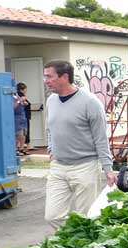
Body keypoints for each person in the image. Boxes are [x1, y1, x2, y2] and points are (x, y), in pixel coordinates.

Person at [43, 59, 116, 230]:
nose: (45, 80)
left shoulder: (90, 103)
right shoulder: (51, 101)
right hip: (58, 167)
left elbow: (100, 138)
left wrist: (108, 169)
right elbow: (49, 129)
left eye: (49, 76)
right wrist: (51, 150)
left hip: (85, 167)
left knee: (87, 218)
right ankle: (74, 238)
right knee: (52, 216)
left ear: (64, 77)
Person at [17, 82, 32, 153]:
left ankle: (23, 147)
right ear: (21, 90)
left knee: (24, 132)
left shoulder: (22, 96)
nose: (26, 90)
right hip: (21, 117)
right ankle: (20, 147)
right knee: (20, 133)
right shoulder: (18, 97)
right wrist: (20, 101)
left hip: (24, 117)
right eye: (25, 89)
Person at [13, 87, 27, 157]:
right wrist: (19, 101)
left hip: (23, 118)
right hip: (16, 118)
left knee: (24, 134)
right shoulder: (10, 97)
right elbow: (12, 107)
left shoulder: (18, 95)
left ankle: (21, 148)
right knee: (17, 135)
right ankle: (15, 149)